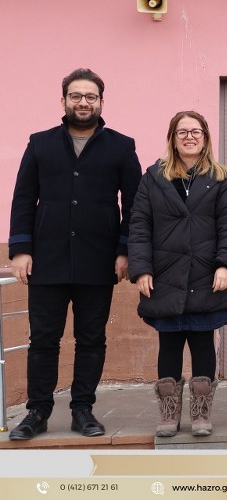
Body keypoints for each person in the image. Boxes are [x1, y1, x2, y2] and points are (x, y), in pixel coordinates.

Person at [7, 68, 142, 441]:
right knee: (44, 339)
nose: (83, 102)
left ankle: (83, 409)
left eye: (91, 97)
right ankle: (38, 411)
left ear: (101, 101)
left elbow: (133, 204)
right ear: (63, 99)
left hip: (99, 259)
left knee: (91, 338)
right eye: (76, 96)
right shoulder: (40, 143)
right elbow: (22, 199)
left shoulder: (121, 146)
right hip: (46, 259)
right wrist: (20, 249)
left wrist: (124, 250)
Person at [128, 111, 227, 437]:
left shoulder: (222, 178)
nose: (189, 137)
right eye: (182, 132)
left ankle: (201, 413)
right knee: (170, 343)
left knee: (204, 342)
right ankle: (168, 414)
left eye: (195, 131)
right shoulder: (153, 178)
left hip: (207, 274)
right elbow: (139, 226)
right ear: (173, 138)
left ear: (205, 137)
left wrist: (224, 264)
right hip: (165, 276)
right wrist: (141, 269)